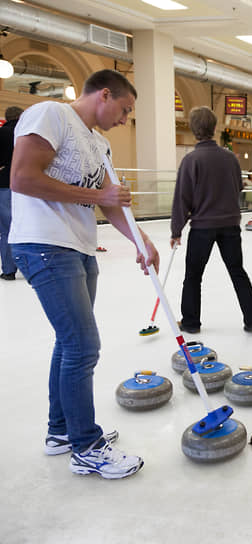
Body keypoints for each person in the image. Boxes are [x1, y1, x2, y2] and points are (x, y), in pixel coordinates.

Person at [9, 69, 157, 479]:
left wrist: (141, 240)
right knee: (83, 346)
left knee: (69, 343)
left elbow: (112, 205)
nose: (125, 119)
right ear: (104, 94)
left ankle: (61, 432)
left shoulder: (100, 143)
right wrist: (97, 195)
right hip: (44, 245)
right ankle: (86, 446)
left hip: (79, 247)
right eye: (125, 109)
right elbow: (21, 178)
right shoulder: (50, 115)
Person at [171, 106, 252, 334]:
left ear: (194, 130)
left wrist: (176, 230)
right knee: (237, 271)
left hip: (203, 227)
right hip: (230, 225)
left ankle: (191, 322)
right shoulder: (231, 158)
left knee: (193, 275)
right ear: (214, 128)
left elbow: (182, 198)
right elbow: (238, 187)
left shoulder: (191, 160)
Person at [0, 106, 24, 280]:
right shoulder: (28, 134)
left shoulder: (2, 133)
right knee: (26, 226)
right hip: (28, 186)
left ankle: (9, 269)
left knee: (7, 228)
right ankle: (28, 266)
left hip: (5, 184)